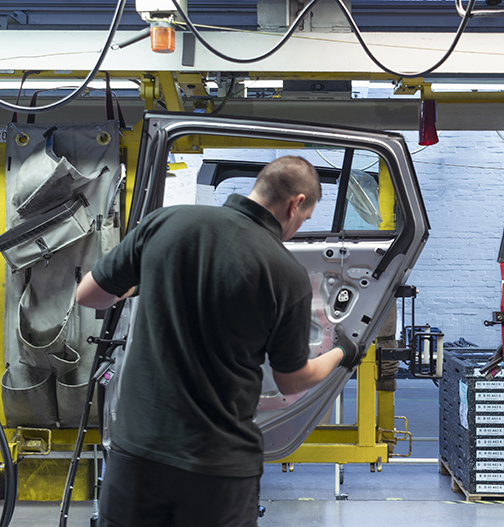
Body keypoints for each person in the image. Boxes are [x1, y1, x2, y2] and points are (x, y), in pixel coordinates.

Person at [76, 155, 364, 527]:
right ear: (296, 204)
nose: (296, 229)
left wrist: (140, 283)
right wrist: (343, 351)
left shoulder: (166, 222)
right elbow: (292, 380)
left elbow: (89, 296)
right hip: (218, 466)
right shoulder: (286, 274)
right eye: (304, 219)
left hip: (138, 454)